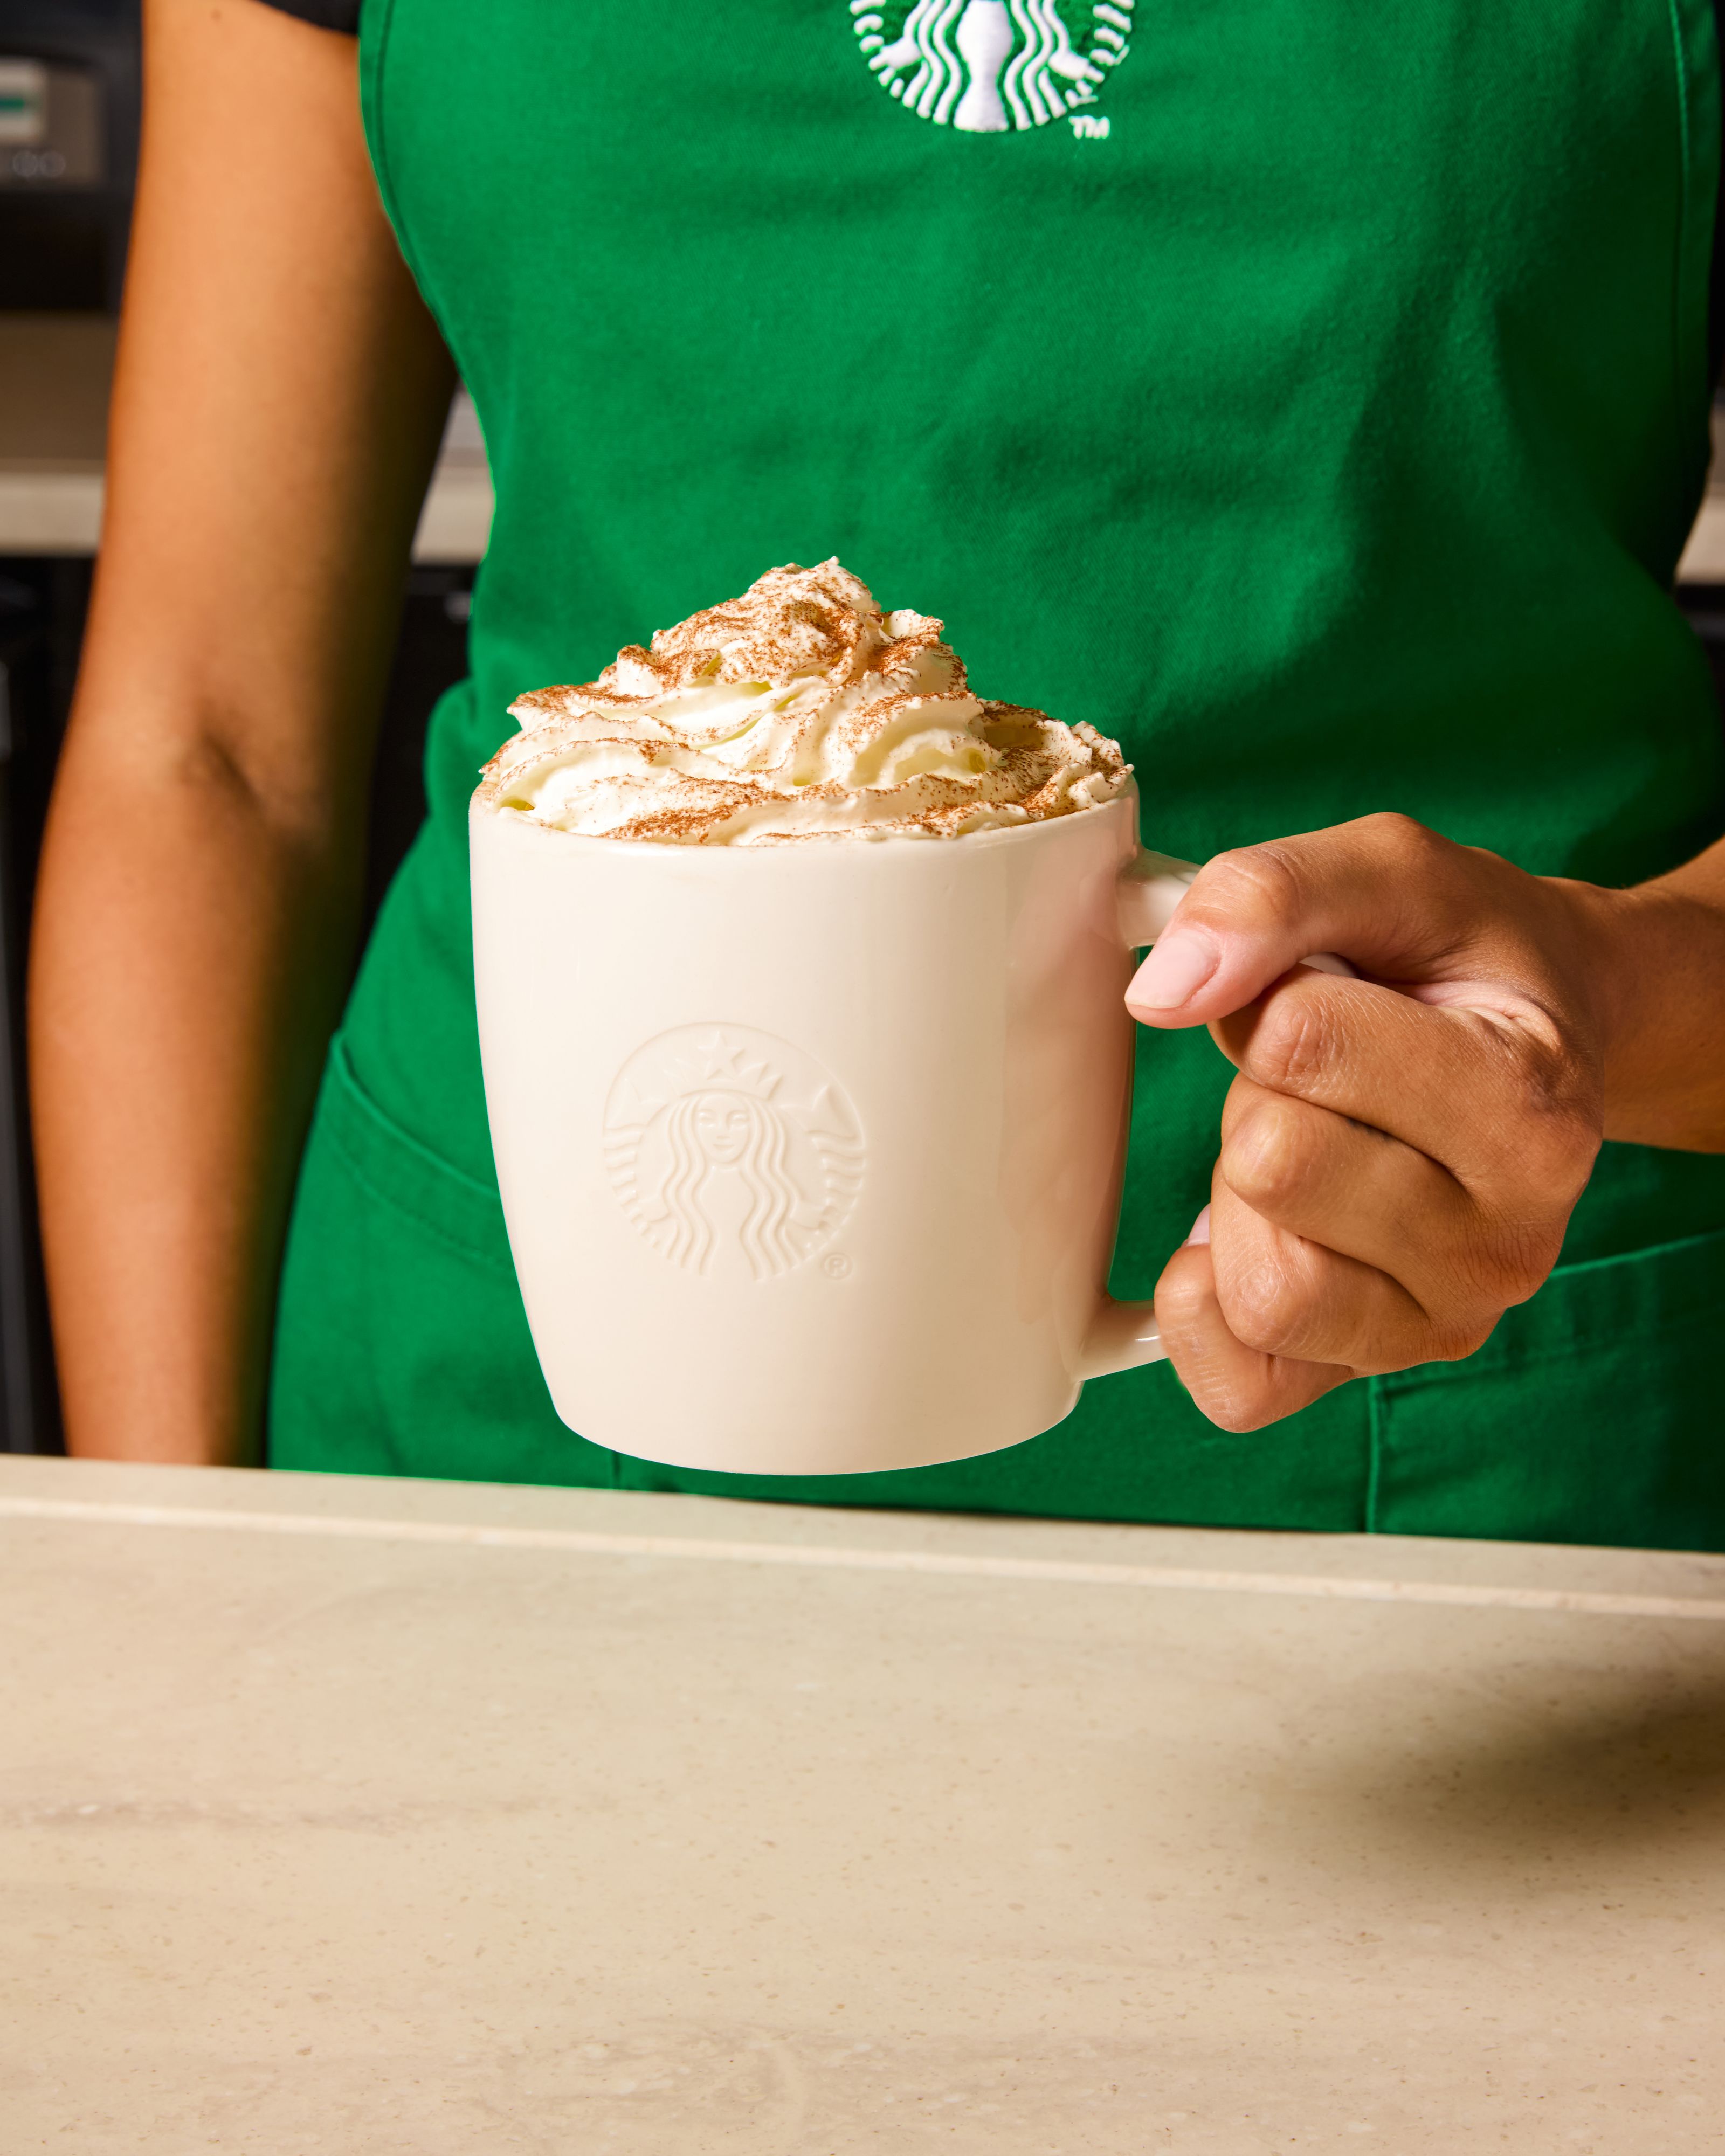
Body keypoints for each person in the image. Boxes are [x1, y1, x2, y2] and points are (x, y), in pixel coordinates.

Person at [32, 0, 1725, 1546]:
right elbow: (210, 754)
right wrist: (167, 1561)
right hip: (491, 1432)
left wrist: (1607, 998)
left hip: (1460, 1433)